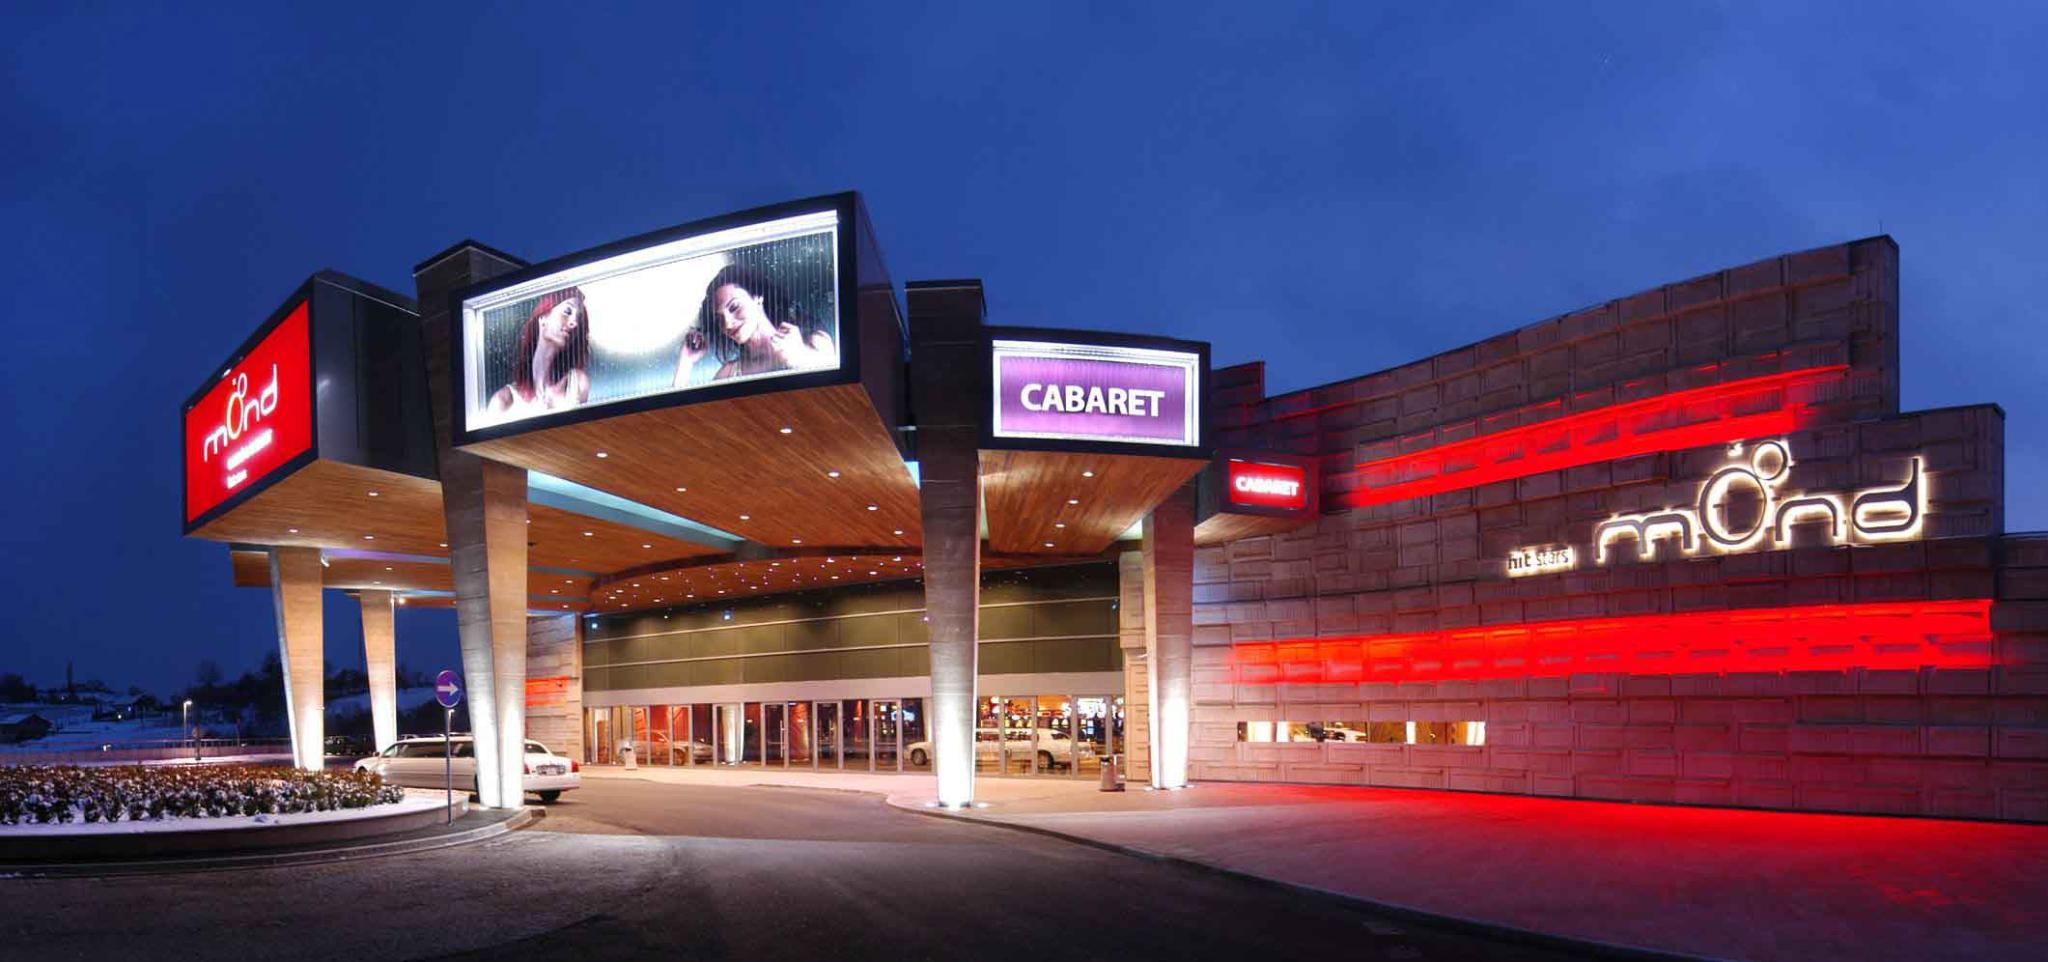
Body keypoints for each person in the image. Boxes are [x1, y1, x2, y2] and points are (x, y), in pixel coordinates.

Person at [675, 262, 835, 386]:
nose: (728, 324)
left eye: (734, 307)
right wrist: (685, 362)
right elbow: (687, 417)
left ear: (757, 297)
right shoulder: (728, 374)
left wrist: (799, 357)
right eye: (720, 319)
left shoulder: (815, 341)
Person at [488, 287, 591, 414]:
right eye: (567, 311)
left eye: (578, 318)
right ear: (543, 317)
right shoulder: (504, 401)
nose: (574, 322)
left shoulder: (578, 383)